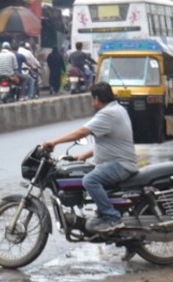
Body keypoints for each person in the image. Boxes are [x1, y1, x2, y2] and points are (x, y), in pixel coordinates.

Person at [42, 82, 138, 233]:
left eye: (92, 99)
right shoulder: (117, 109)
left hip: (120, 165)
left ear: (97, 99)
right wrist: (83, 156)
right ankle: (103, 215)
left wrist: (54, 141)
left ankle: (113, 218)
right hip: (119, 163)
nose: (92, 103)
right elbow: (109, 143)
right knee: (90, 175)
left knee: (90, 180)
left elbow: (82, 132)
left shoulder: (108, 114)